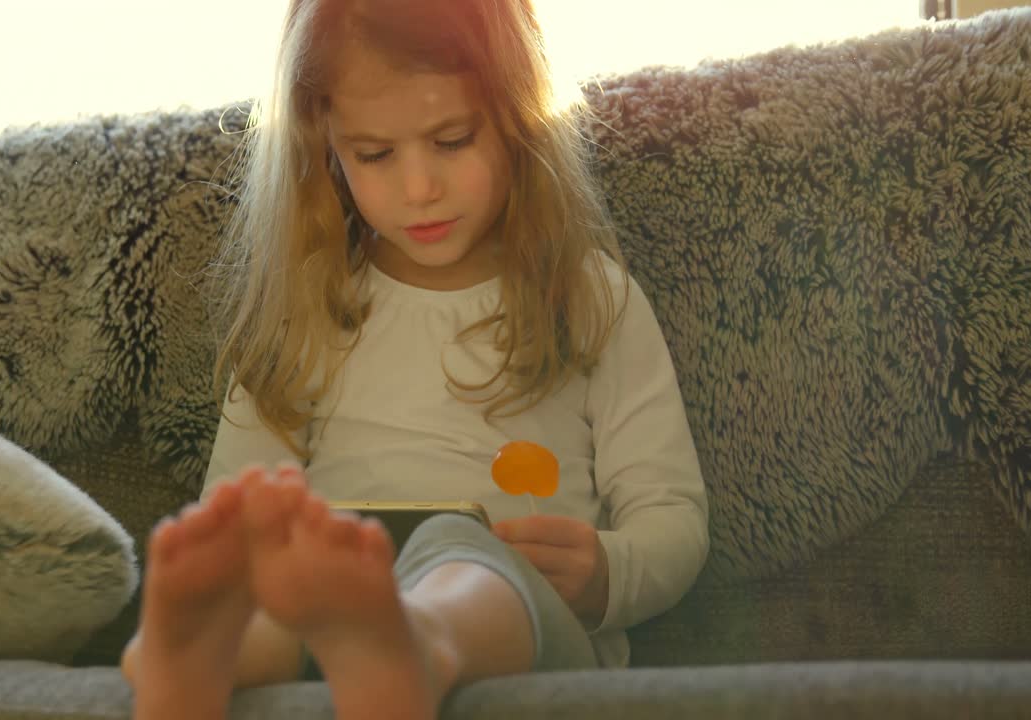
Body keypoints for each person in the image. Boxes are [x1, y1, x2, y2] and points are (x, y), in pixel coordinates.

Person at [119, 0, 708, 718]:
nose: (419, 187)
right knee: (290, 573)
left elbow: (671, 516)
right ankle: (217, 658)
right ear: (325, 146)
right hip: (332, 609)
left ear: (521, 120)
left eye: (453, 140)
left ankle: (417, 641)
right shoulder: (309, 308)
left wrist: (607, 574)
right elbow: (237, 512)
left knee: (459, 549)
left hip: (523, 626)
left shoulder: (587, 297)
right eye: (374, 154)